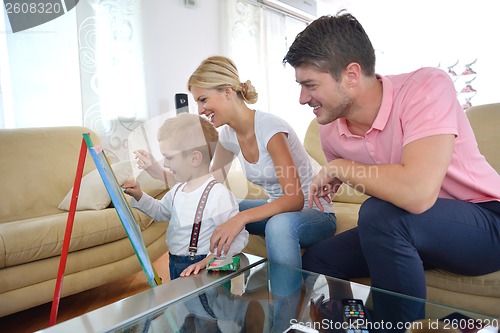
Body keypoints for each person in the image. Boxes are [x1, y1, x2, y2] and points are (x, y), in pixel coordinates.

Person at [283, 10, 500, 328]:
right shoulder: (330, 128)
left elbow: (416, 195)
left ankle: (398, 327)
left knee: (379, 215)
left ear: (352, 75)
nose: (302, 98)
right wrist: (343, 173)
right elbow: (379, 188)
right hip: (413, 230)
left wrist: (343, 167)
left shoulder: (425, 87)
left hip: (485, 224)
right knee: (320, 258)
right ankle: (356, 323)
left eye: (310, 85)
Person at [123, 112, 249, 280]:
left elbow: (237, 236)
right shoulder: (178, 189)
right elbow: (161, 212)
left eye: (169, 157)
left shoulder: (218, 195)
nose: (166, 164)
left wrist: (210, 259)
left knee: (202, 307)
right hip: (175, 263)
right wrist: (139, 195)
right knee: (185, 306)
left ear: (195, 158)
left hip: (201, 268)